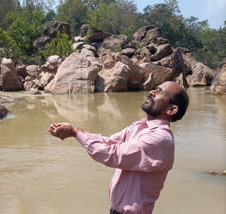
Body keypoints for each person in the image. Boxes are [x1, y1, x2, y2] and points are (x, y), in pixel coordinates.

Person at [49, 81, 189, 214]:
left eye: (159, 92)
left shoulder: (159, 139)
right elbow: (109, 142)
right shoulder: (140, 126)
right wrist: (75, 132)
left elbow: (111, 154)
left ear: (171, 109)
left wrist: (75, 132)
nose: (152, 92)